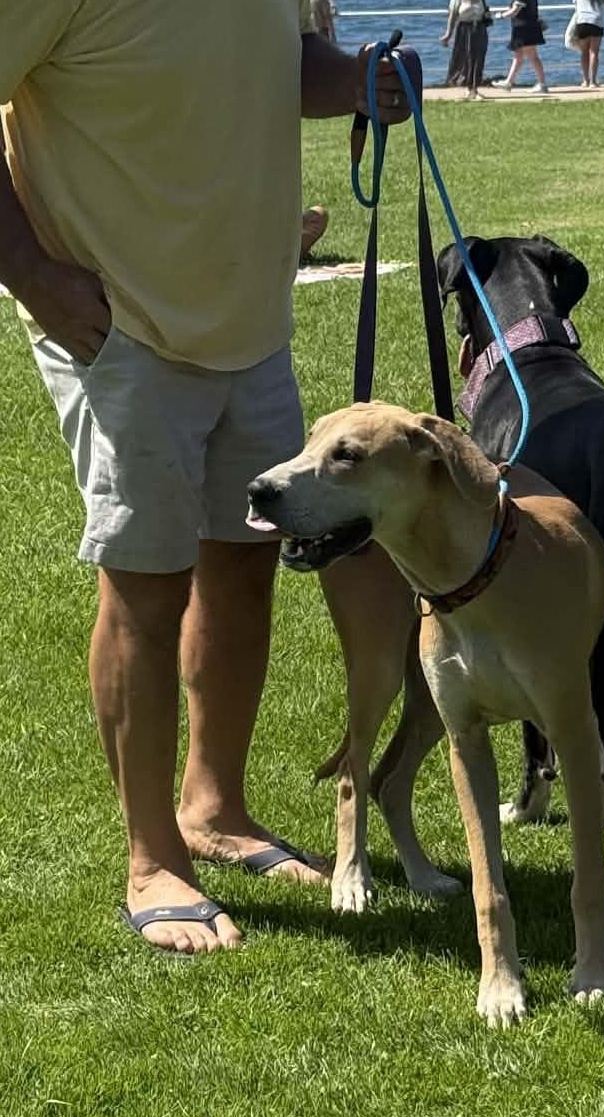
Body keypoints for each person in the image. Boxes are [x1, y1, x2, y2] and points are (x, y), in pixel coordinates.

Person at [0, 4, 409, 955]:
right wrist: (32, 277)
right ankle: (152, 859)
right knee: (146, 584)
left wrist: (354, 81)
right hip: (117, 318)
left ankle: (213, 806)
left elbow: (281, 60)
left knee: (244, 559)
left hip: (248, 316)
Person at [494, 0, 549, 92]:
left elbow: (515, 11)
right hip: (524, 27)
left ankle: (542, 84)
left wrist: (500, 15)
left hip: (524, 28)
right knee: (518, 56)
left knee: (533, 57)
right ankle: (509, 82)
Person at [442, 0, 492, 99]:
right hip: (464, 30)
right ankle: (468, 88)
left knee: (479, 59)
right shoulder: (457, 1)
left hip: (480, 29)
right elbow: (452, 17)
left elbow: (486, 14)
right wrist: (448, 34)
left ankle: (475, 89)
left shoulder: (481, 0)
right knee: (466, 59)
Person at [572, 0, 604, 87]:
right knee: (594, 52)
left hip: (582, 20)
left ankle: (585, 80)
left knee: (584, 52)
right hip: (596, 20)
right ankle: (593, 81)